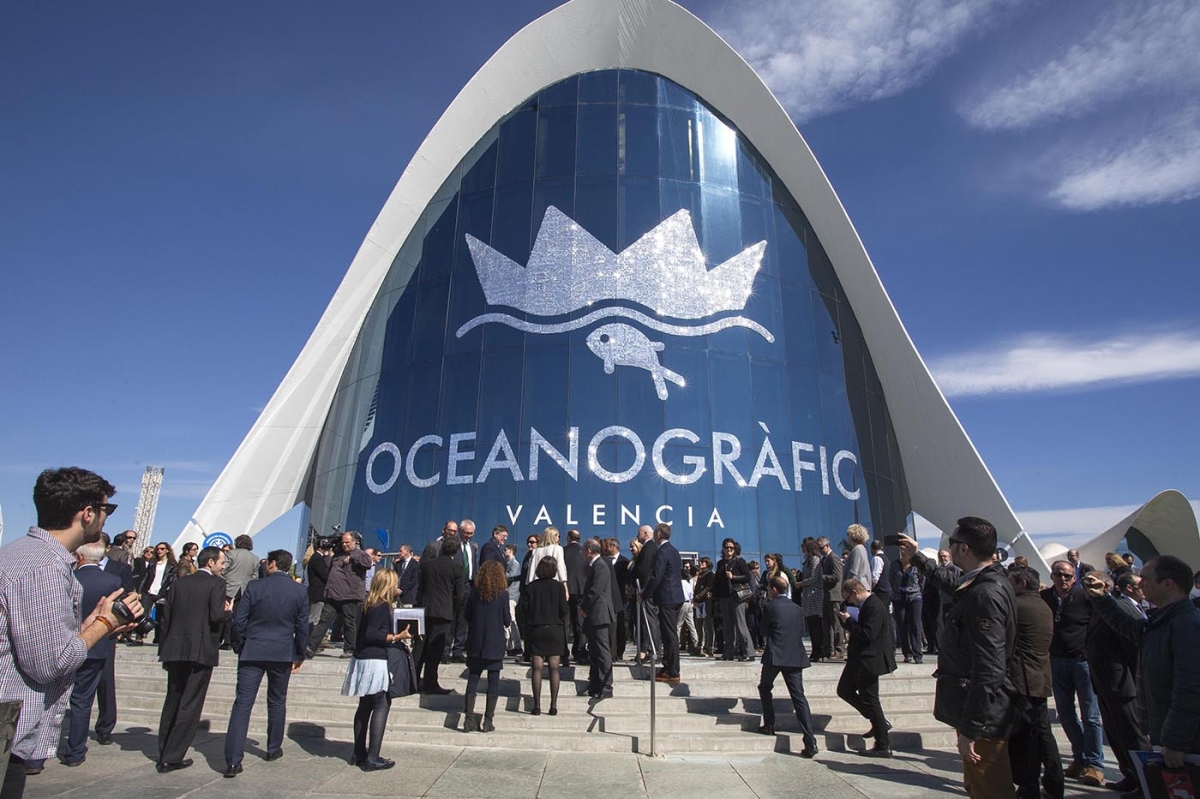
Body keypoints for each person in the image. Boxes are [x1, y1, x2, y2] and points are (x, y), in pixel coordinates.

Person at [0, 468, 143, 796]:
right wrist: (105, 625)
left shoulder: (18, 554)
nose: (106, 520)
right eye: (107, 511)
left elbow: (30, 640)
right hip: (7, 739)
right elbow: (52, 662)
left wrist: (88, 627)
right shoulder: (44, 568)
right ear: (88, 514)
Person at [898, 521, 1016, 798]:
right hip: (980, 713)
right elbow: (954, 585)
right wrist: (917, 557)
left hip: (985, 719)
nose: (947, 548)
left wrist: (971, 728)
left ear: (964, 548)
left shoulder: (985, 594)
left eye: (951, 543)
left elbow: (989, 667)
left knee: (990, 789)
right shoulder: (985, 581)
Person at [1083, 555, 1200, 783]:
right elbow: (1129, 628)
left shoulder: (1187, 625)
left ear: (1168, 584)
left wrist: (1175, 742)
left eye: (1145, 579)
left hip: (1188, 743)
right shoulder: (1163, 621)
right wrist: (1102, 599)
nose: (1139, 583)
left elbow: (1190, 689)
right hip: (1172, 737)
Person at [223, 549, 309, 777]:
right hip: (281, 651)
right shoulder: (299, 591)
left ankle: (233, 760)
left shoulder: (255, 587)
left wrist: (240, 645)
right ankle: (273, 748)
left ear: (271, 564)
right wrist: (299, 654)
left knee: (242, 703)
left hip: (253, 649)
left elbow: (239, 620)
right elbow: (302, 627)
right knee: (278, 700)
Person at [157, 545, 231, 773]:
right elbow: (216, 616)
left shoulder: (179, 583)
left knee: (173, 699)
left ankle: (163, 749)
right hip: (200, 650)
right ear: (210, 563)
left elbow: (166, 617)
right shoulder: (216, 584)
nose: (223, 566)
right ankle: (173, 755)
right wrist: (228, 611)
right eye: (221, 562)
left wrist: (164, 647)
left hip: (175, 648)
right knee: (191, 703)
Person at [1082, 570, 1149, 795]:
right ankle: (1130, 776)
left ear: (1106, 586)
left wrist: (1134, 682)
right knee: (1117, 735)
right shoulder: (1100, 608)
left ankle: (1145, 782)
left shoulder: (1122, 608)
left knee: (1132, 737)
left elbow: (1133, 649)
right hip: (1105, 684)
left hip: (1123, 686)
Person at [1040, 560, 1105, 787]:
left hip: (1082, 662)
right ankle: (1080, 757)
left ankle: (1095, 765)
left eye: (1068, 575)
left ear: (1075, 578)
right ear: (1052, 576)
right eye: (1059, 574)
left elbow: (1100, 625)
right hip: (1057, 661)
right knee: (1066, 713)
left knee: (1091, 715)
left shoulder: (1085, 598)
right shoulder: (1045, 598)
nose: (1063, 579)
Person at [60, 541, 124, 767]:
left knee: (50, 700)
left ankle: (34, 757)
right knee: (82, 701)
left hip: (63, 644)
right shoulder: (113, 583)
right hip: (96, 647)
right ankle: (75, 751)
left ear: (79, 557)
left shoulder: (67, 578)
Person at [1006, 566, 1063, 799]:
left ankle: (1030, 786)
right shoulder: (1042, 606)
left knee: (1028, 739)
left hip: (1024, 680)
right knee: (1043, 734)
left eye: (1011, 582)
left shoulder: (1020, 607)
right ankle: (1053, 782)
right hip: (1038, 677)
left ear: (1023, 583)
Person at [341, 569, 407, 771]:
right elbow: (373, 634)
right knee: (381, 704)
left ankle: (359, 752)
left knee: (365, 705)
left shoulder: (368, 603)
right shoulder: (381, 606)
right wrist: (397, 636)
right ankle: (372, 757)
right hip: (376, 659)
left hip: (362, 658)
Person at [755, 574, 819, 757]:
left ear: (774, 589)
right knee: (799, 697)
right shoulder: (798, 609)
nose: (768, 591)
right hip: (794, 656)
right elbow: (800, 630)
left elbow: (763, 630)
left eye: (769, 588)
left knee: (765, 687)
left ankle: (769, 724)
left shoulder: (769, 607)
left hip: (775, 655)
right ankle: (810, 740)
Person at [837, 578, 897, 758]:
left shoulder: (873, 606)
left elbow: (868, 634)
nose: (848, 603)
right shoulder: (867, 605)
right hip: (859, 659)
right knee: (844, 690)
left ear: (854, 593)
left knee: (871, 699)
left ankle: (882, 743)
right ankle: (877, 721)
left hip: (869, 661)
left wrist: (848, 622)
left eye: (848, 599)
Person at [462, 560, 511, 732]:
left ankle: (468, 719)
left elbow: (466, 615)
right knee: (493, 680)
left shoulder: (475, 593)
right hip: (495, 641)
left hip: (476, 640)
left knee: (473, 678)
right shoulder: (503, 594)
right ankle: (488, 720)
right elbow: (507, 620)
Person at [307, 531, 372, 658]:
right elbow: (328, 568)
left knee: (349, 623)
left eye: (347, 542)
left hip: (349, 595)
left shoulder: (360, 554)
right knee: (323, 621)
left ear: (354, 542)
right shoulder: (338, 554)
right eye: (343, 542)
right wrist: (327, 555)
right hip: (333, 595)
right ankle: (310, 647)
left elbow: (368, 563)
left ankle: (349, 649)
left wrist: (352, 558)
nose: (344, 544)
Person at [520, 556, 569, 715]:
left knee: (537, 668)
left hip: (537, 629)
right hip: (555, 629)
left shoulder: (531, 587)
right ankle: (553, 705)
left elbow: (524, 610)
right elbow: (564, 610)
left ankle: (536, 705)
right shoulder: (558, 587)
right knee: (554, 668)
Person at [416, 538, 464, 694]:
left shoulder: (427, 565)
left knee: (420, 647)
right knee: (435, 649)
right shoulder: (457, 567)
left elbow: (420, 588)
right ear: (456, 551)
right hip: (444, 612)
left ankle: (413, 679)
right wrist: (452, 609)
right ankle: (430, 682)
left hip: (425, 609)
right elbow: (459, 594)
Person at [645, 523, 684, 681]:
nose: (654, 536)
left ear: (659, 534)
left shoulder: (662, 551)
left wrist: (645, 593)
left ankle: (672, 671)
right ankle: (668, 666)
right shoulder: (674, 551)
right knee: (669, 634)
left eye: (655, 533)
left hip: (667, 597)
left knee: (669, 635)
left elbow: (657, 576)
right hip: (675, 596)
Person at [581, 539, 615, 699]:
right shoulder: (594, 565)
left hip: (600, 614)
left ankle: (606, 686)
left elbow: (595, 590)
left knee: (602, 650)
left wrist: (584, 607)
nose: (582, 554)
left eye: (583, 551)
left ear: (588, 550)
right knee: (594, 651)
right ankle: (595, 684)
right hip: (594, 615)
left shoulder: (600, 565)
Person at [714, 538, 752, 661]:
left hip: (737, 598)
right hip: (724, 598)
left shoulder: (740, 562)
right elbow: (717, 581)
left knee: (741, 626)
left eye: (731, 547)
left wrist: (734, 577)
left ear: (734, 549)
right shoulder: (720, 563)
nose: (729, 549)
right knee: (727, 627)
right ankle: (728, 653)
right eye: (726, 547)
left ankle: (748, 653)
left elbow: (747, 577)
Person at [889, 547, 926, 664]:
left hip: (914, 596)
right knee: (902, 624)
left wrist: (917, 590)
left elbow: (922, 580)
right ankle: (907, 653)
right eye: (902, 552)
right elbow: (891, 580)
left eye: (906, 551)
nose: (904, 553)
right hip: (899, 597)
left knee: (915, 624)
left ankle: (917, 653)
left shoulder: (916, 566)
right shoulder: (895, 565)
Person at [631, 525, 660, 664]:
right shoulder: (650, 547)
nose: (638, 536)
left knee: (649, 620)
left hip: (646, 590)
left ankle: (651, 650)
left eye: (639, 533)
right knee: (646, 620)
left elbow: (644, 570)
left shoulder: (649, 548)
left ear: (646, 534)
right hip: (645, 590)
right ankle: (649, 649)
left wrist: (641, 588)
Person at [139, 542, 177, 642]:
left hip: (162, 593)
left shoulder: (172, 565)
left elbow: (172, 580)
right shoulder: (152, 563)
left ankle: (158, 637)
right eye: (158, 549)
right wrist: (140, 591)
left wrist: (167, 591)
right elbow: (145, 578)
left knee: (161, 616)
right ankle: (140, 637)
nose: (159, 551)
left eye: (162, 549)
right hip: (148, 592)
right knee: (143, 614)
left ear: (167, 550)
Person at [796, 539, 825, 660]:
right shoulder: (807, 561)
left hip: (815, 595)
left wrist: (801, 583)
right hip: (808, 595)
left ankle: (819, 651)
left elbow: (814, 578)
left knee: (816, 624)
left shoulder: (815, 560)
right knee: (811, 625)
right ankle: (815, 650)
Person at [563, 529, 588, 664]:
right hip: (581, 591)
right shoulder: (583, 552)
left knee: (565, 623)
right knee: (580, 623)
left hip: (566, 590)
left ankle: (563, 652)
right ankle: (580, 651)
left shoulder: (563, 551)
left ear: (568, 538)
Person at [818, 536, 845, 659]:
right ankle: (828, 649)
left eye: (821, 548)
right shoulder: (824, 559)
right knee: (826, 624)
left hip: (834, 596)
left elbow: (837, 577)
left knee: (836, 624)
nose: (820, 550)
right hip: (826, 596)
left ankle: (839, 650)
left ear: (827, 546)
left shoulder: (834, 558)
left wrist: (822, 577)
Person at [606, 538, 632, 661]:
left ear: (614, 546)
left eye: (608, 546)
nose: (606, 548)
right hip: (607, 598)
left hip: (620, 598)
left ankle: (619, 651)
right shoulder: (605, 561)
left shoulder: (624, 562)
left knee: (620, 625)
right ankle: (610, 650)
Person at [304, 539, 333, 628]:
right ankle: (309, 638)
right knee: (314, 618)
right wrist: (328, 558)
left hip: (316, 592)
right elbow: (325, 575)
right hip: (317, 593)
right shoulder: (317, 558)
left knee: (314, 616)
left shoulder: (317, 558)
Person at [503, 544, 524, 655]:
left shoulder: (514, 564)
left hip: (511, 595)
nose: (504, 551)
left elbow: (510, 577)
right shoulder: (509, 564)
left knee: (511, 619)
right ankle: (510, 645)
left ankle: (517, 645)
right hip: (510, 595)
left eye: (505, 549)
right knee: (509, 620)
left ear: (511, 550)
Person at [692, 556, 715, 657]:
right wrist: (695, 598)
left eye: (703, 562)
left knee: (708, 625)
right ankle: (699, 646)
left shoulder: (710, 574)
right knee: (698, 625)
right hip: (699, 602)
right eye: (700, 562)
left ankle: (709, 646)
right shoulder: (700, 574)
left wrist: (699, 596)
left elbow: (708, 587)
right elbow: (697, 587)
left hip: (706, 602)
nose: (701, 563)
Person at [677, 563, 699, 655]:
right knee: (691, 625)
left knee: (678, 625)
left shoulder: (678, 584)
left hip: (682, 603)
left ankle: (675, 644)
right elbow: (691, 595)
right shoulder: (688, 584)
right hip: (689, 603)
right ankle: (696, 644)